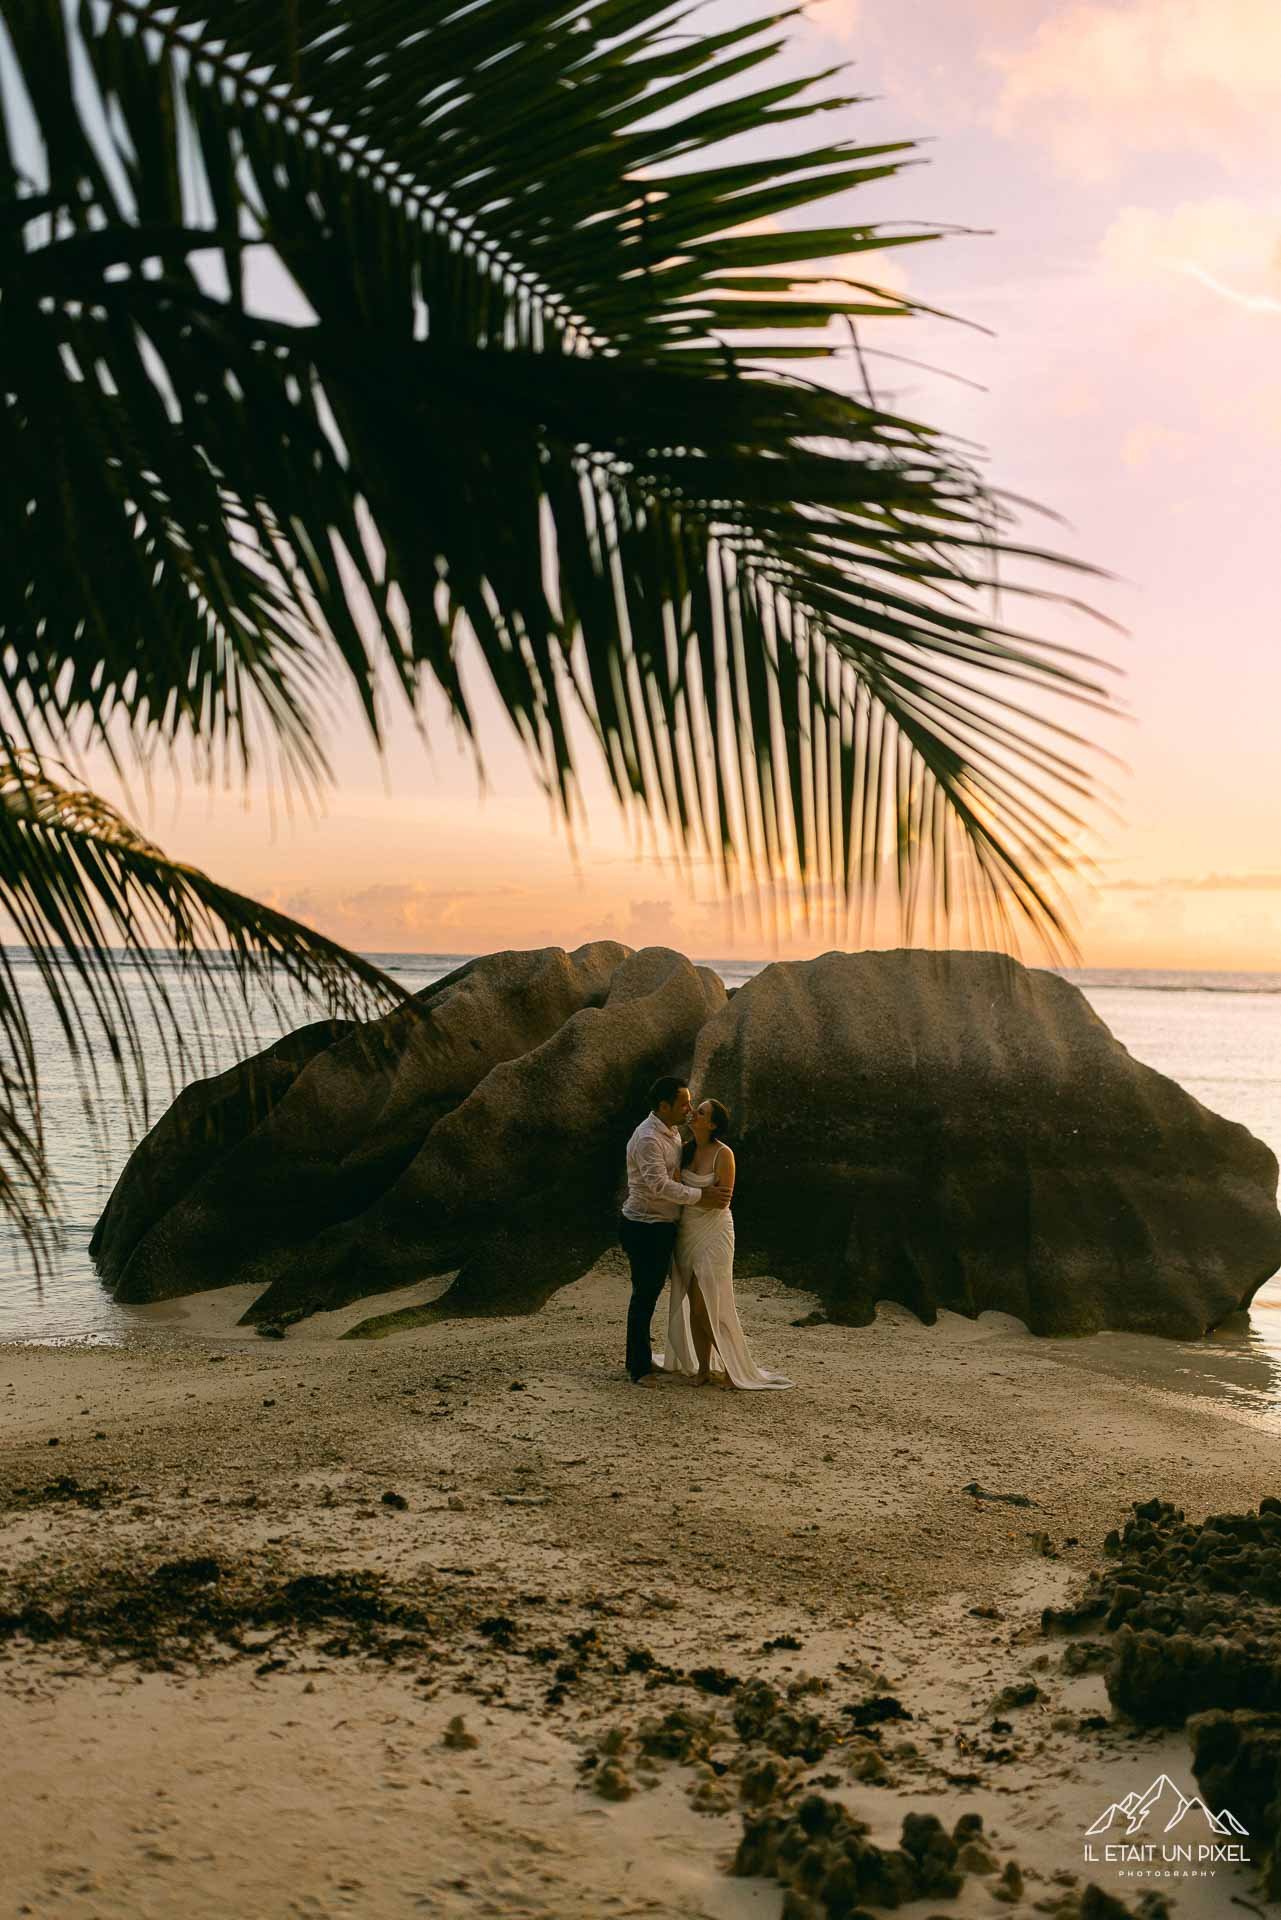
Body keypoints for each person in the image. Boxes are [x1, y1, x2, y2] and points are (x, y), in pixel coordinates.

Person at [663, 1098, 792, 1390]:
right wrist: (697, 1193)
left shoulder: (724, 1154)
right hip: (687, 1231)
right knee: (693, 1306)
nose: (694, 1113)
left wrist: (692, 1193)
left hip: (714, 1231)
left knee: (707, 1303)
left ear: (713, 1124)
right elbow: (673, 1188)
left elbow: (723, 1199)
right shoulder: (684, 1150)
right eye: (697, 1110)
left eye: (702, 1112)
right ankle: (704, 1369)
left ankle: (733, 1369)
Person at [620, 1076, 730, 1386]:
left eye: (691, 1102)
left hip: (666, 1226)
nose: (689, 1108)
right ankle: (638, 1368)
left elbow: (678, 1174)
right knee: (645, 1294)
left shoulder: (673, 1133)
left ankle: (640, 1359)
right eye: (683, 1103)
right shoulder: (647, 1139)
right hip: (644, 1225)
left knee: (652, 1293)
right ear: (663, 1106)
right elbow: (659, 1185)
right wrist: (701, 1196)